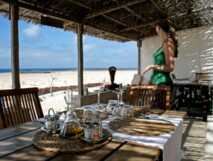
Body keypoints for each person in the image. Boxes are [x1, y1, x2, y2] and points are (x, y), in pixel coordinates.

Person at [141, 20, 178, 85]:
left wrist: (152, 66)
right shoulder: (165, 43)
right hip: (157, 82)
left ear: (159, 28)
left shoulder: (168, 43)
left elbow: (170, 67)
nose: (156, 31)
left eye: (156, 28)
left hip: (162, 84)